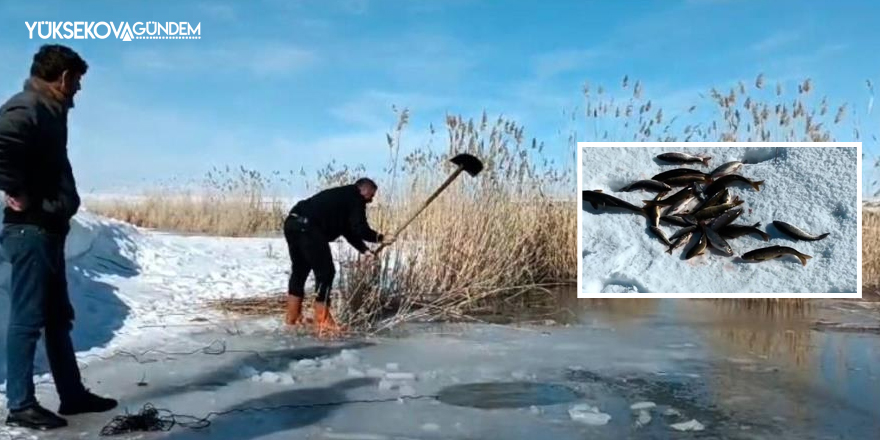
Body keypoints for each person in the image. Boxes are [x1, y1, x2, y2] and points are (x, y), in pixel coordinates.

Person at [0, 44, 117, 431]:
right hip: (29, 231)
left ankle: (72, 393)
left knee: (57, 317)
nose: (78, 90)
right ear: (64, 78)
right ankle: (20, 404)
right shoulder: (27, 106)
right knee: (28, 319)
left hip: (46, 232)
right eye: (78, 81)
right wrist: (20, 192)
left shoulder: (48, 111)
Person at [283, 178, 394, 336]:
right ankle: (322, 321)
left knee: (300, 271)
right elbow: (360, 228)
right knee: (326, 273)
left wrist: (365, 250)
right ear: (363, 189)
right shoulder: (355, 198)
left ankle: (292, 318)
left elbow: (348, 230)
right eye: (371, 194)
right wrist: (381, 238)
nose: (371, 200)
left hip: (293, 224)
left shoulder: (341, 197)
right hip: (309, 228)